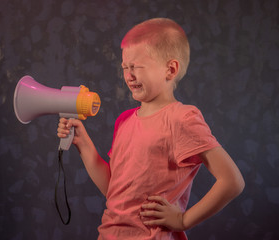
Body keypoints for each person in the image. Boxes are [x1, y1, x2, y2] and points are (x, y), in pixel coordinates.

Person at [57, 18, 245, 240]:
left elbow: (232, 181)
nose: (128, 75)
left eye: (136, 67)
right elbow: (114, 191)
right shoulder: (125, 120)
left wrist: (182, 220)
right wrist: (83, 142)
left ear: (170, 69)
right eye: (125, 67)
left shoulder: (182, 118)